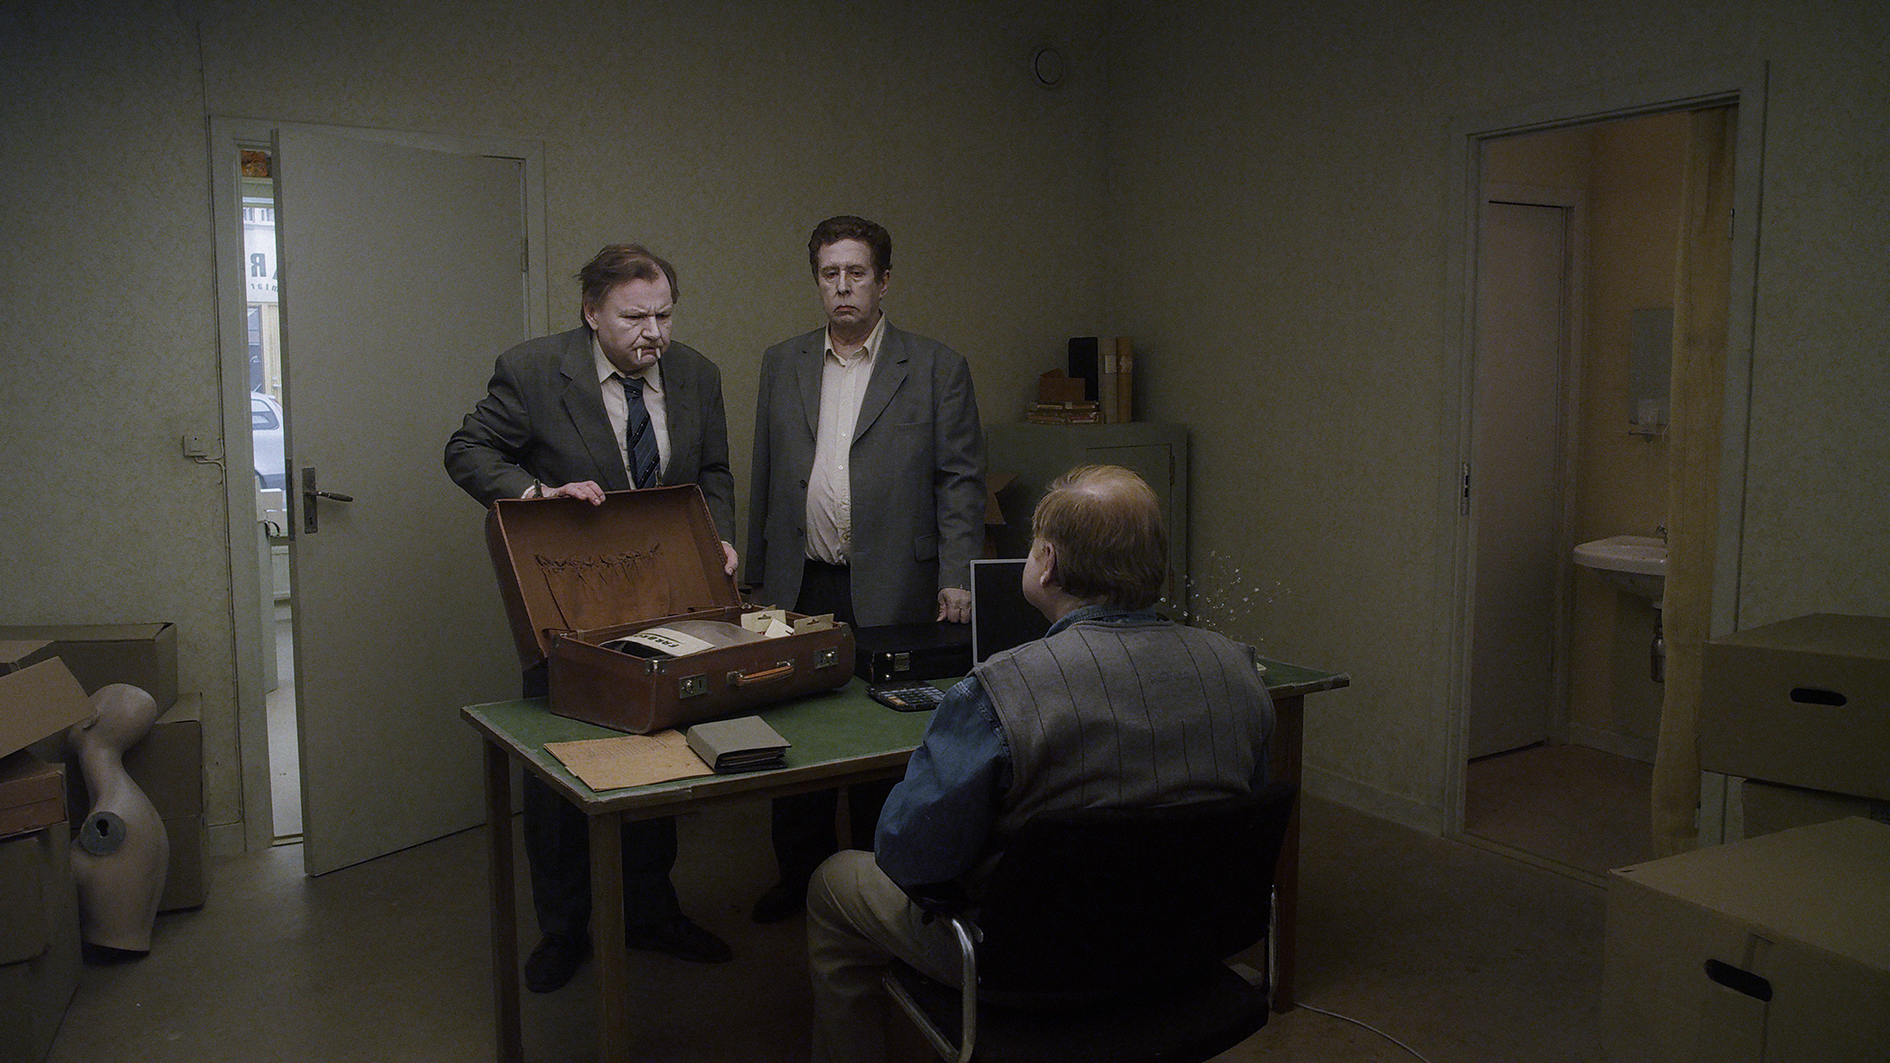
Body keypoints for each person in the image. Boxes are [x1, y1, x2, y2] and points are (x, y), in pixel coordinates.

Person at [803, 465, 1276, 1063]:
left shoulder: (998, 690)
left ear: (1046, 563)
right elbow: (1237, 821)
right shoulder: (1239, 671)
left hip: (1027, 965)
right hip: (1186, 946)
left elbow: (912, 857)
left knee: (834, 883)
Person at [444, 244, 738, 993]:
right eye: (635, 317)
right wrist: (537, 496)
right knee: (561, 767)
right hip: (568, 601)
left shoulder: (697, 374)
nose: (654, 333)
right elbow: (467, 448)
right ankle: (564, 928)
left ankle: (651, 911)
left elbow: (712, 473)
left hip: (668, 599)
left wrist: (721, 538)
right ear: (591, 313)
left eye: (664, 315)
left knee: (660, 750)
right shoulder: (534, 370)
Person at [745, 215, 987, 923]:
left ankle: (881, 881)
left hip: (897, 587)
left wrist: (957, 573)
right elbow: (765, 472)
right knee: (800, 733)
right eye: (830, 274)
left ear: (884, 281)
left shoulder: (936, 366)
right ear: (817, 281)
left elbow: (960, 481)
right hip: (801, 582)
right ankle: (800, 878)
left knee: (888, 738)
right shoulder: (782, 361)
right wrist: (756, 579)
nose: (843, 287)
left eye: (856, 273)